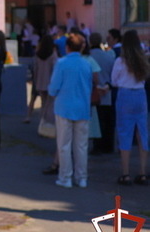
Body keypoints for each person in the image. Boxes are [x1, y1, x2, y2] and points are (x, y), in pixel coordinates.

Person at [48, 33, 93, 188]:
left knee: (64, 144)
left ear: (67, 47)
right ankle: (82, 178)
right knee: (81, 145)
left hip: (64, 107)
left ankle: (65, 177)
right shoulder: (86, 64)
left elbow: (53, 88)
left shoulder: (61, 63)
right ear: (82, 47)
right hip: (82, 108)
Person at [111, 29, 149, 186]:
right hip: (140, 94)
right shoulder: (143, 59)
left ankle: (125, 173)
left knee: (124, 133)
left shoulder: (121, 61)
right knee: (142, 133)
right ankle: (142, 172)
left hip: (125, 95)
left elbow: (114, 81)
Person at [88, 32, 116, 155]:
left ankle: (97, 146)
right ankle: (108, 146)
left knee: (96, 122)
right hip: (107, 91)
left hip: (94, 93)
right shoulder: (109, 56)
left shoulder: (88, 57)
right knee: (108, 122)